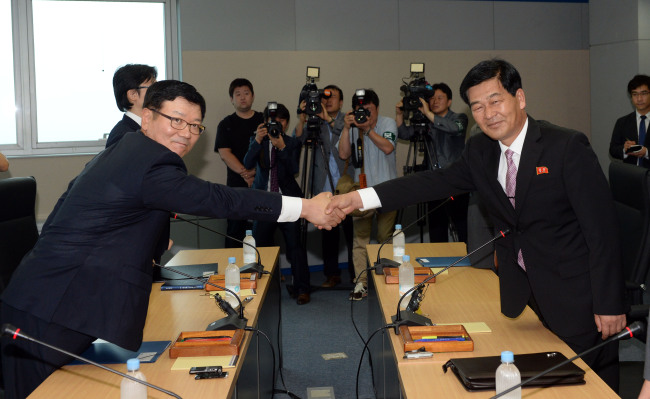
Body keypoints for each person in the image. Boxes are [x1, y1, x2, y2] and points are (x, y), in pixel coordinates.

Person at [0, 80, 342, 399]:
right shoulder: (151, 160)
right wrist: (306, 207)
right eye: (177, 121)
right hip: (48, 311)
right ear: (147, 116)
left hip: (63, 303)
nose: (187, 134)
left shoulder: (128, 149)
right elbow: (219, 199)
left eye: (195, 126)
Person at [327, 59, 627, 390]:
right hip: (526, 297)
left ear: (520, 98)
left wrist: (609, 303)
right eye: (478, 106)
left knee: (592, 388)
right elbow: (431, 182)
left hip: (579, 299)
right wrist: (360, 199)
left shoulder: (567, 147)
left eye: (495, 101)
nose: (488, 114)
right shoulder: (481, 150)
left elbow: (603, 231)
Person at [243, 103, 311, 304]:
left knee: (295, 248)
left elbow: (292, 169)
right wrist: (256, 140)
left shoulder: (291, 142)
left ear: (286, 123)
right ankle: (262, 290)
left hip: (288, 202)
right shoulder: (257, 140)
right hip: (264, 203)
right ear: (265, 121)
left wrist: (281, 147)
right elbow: (247, 163)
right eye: (273, 119)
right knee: (260, 248)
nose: (277, 123)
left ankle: (302, 289)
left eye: (281, 120)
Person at [338, 89, 397, 301]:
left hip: (387, 190)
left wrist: (368, 129)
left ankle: (385, 281)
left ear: (377, 108)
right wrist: (347, 128)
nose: (365, 114)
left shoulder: (388, 123)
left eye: (369, 110)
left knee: (384, 238)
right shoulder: (353, 127)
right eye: (361, 111)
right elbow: (343, 154)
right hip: (361, 193)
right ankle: (361, 284)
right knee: (360, 240)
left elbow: (388, 147)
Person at [294, 85, 354, 288]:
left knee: (352, 233)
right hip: (324, 185)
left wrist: (328, 119)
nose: (327, 101)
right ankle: (332, 274)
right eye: (324, 98)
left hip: (346, 183)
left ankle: (357, 275)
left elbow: (348, 144)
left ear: (341, 102)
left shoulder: (348, 120)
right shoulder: (314, 121)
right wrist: (302, 117)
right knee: (329, 233)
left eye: (333, 97)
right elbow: (299, 140)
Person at [396, 82, 469, 243]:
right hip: (434, 182)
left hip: (456, 183)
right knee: (437, 229)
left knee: (461, 228)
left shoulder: (459, 118)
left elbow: (455, 129)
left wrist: (428, 114)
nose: (435, 101)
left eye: (440, 98)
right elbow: (404, 134)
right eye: (432, 98)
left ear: (449, 101)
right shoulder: (426, 122)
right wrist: (400, 114)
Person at [214, 78, 263, 247]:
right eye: (238, 94)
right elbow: (224, 153)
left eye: (246, 93)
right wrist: (245, 173)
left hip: (263, 184)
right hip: (235, 187)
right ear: (231, 99)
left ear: (253, 96)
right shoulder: (225, 124)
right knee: (235, 232)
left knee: (264, 231)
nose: (243, 97)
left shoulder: (263, 121)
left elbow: (272, 152)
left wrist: (255, 172)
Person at [105, 64, 157, 148]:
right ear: (133, 95)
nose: (158, 92)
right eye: (153, 87)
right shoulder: (122, 136)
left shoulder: (150, 127)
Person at [609, 74, 650, 167]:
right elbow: (613, 150)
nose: (639, 99)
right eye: (635, 94)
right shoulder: (622, 122)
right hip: (631, 176)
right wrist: (625, 149)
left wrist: (646, 152)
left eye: (643, 93)